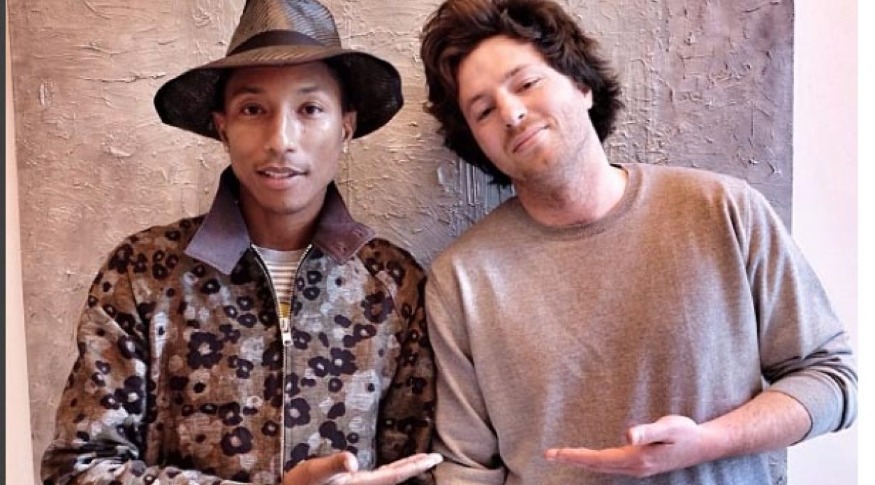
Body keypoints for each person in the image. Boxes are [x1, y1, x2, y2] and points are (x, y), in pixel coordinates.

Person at [417, 0, 858, 483]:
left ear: (581, 85)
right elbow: (465, 468)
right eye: (483, 110)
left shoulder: (722, 209)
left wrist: (710, 442)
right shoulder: (462, 278)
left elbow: (831, 378)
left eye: (526, 83)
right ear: (475, 140)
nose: (513, 112)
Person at [40, 0, 443, 484]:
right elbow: (75, 468)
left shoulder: (394, 285)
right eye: (253, 109)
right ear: (222, 127)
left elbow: (416, 473)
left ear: (345, 126)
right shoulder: (142, 273)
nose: (281, 139)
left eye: (310, 109)